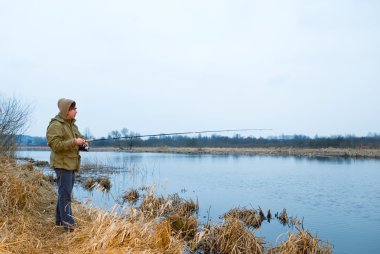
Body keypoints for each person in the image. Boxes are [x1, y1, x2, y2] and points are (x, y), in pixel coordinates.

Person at [46, 98, 86, 232]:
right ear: (66, 110)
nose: (76, 111)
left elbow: (78, 140)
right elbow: (55, 145)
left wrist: (83, 144)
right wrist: (74, 142)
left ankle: (59, 221)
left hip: (71, 164)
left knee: (64, 193)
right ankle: (69, 226)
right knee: (65, 195)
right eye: (74, 109)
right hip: (62, 165)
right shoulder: (56, 125)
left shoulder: (72, 125)